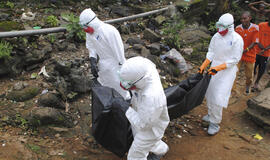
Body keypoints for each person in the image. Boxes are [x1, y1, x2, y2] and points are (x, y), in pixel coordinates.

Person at [198, 13, 244, 135]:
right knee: (210, 93)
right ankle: (210, 113)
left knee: (218, 97)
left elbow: (235, 59)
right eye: (219, 26)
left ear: (230, 27)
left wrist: (219, 67)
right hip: (214, 69)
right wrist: (204, 65)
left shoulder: (237, 39)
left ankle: (215, 123)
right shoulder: (216, 37)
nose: (220, 29)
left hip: (227, 72)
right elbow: (211, 52)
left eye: (223, 27)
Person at [119, 56, 170, 160]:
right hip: (144, 112)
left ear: (139, 81)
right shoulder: (144, 68)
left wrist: (126, 109)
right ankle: (161, 150)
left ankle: (155, 150)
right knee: (147, 140)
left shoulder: (152, 96)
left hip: (150, 128)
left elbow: (144, 125)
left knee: (135, 155)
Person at [79, 8, 130, 100]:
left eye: (85, 26)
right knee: (106, 86)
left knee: (120, 88)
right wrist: (93, 59)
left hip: (115, 65)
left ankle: (125, 105)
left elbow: (118, 50)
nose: (85, 29)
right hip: (103, 64)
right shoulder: (90, 33)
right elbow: (91, 46)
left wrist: (122, 66)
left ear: (92, 22)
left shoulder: (109, 31)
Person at [234, 11, 259, 94]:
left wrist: (246, 50)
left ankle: (248, 85)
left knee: (249, 75)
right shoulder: (237, 28)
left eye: (245, 18)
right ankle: (233, 90)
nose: (243, 20)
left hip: (250, 55)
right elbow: (235, 41)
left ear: (250, 18)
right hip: (238, 54)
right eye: (241, 19)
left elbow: (254, 42)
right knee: (234, 72)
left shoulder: (255, 28)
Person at [252, 12, 270, 91]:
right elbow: (255, 36)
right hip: (256, 50)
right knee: (253, 66)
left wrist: (265, 49)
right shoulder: (261, 25)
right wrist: (259, 44)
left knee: (262, 68)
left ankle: (256, 82)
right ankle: (252, 80)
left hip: (266, 53)